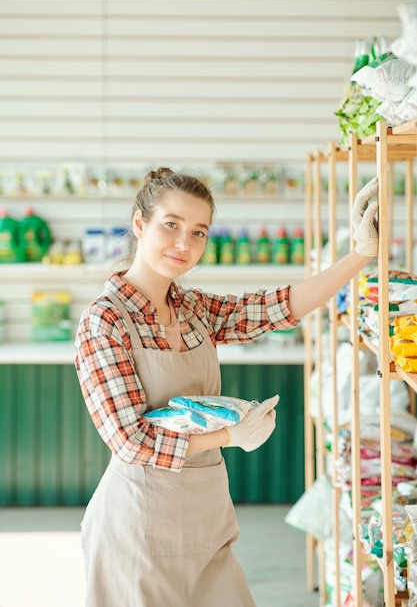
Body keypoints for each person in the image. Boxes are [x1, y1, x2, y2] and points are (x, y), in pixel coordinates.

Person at [75, 167, 378, 607]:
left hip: (208, 515)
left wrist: (359, 255)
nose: (185, 243)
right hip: (139, 525)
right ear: (140, 225)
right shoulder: (105, 320)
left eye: (199, 232)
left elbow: (276, 308)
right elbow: (130, 441)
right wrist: (229, 437)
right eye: (171, 225)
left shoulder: (193, 307)